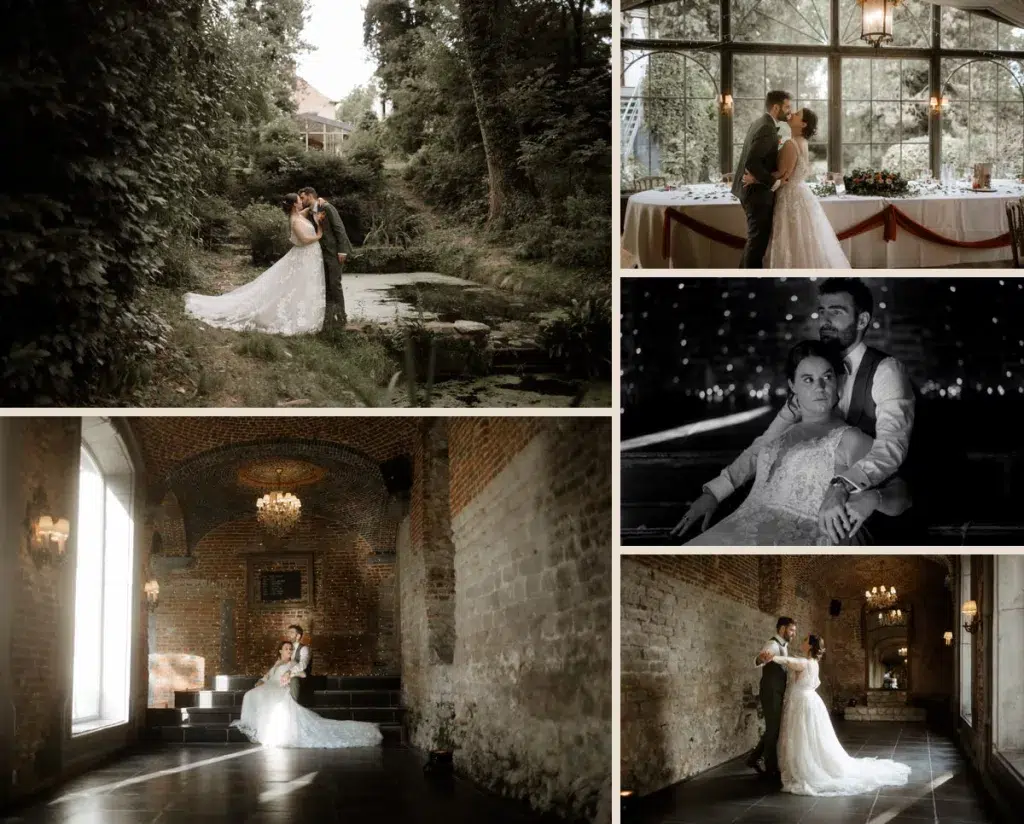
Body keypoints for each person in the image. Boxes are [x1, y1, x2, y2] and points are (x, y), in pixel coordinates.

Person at [672, 278, 917, 545]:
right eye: (821, 312)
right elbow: (766, 444)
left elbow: (891, 448)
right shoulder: (810, 374)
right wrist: (716, 492)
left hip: (863, 508)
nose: (825, 320)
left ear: (862, 320)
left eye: (836, 312)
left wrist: (843, 485)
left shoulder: (885, 371)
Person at [764, 635, 912, 796]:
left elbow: (788, 661)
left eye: (805, 640)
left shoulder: (805, 663)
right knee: (809, 735)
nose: (802, 642)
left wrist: (772, 657)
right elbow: (793, 662)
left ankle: (804, 767)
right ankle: (806, 763)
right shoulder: (814, 663)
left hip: (802, 702)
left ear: (811, 646)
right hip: (810, 701)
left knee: (803, 735)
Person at [184, 193, 326, 335]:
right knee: (291, 285)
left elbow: (308, 209)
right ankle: (291, 316)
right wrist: (319, 234)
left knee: (300, 284)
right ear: (295, 204)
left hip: (309, 256)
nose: (302, 201)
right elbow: (304, 239)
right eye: (299, 200)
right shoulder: (294, 220)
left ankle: (301, 312)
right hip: (303, 255)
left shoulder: (299, 214)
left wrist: (317, 201)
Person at [741, 108, 851, 268]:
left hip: (789, 195)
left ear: (803, 124)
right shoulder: (802, 142)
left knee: (789, 238)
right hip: (799, 192)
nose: (792, 114)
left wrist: (755, 178)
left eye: (797, 115)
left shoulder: (791, 144)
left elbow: (782, 174)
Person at [231, 640, 382, 748]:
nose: (289, 651)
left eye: (291, 649)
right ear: (280, 651)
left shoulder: (292, 664)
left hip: (280, 688)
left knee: (263, 696)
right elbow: (269, 675)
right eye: (286, 649)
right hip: (271, 685)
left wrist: (289, 676)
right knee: (251, 694)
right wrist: (261, 681)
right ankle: (258, 727)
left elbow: (303, 675)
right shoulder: (277, 663)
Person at [732, 90, 791, 269]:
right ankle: (751, 286)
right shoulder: (766, 127)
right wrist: (775, 182)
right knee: (757, 247)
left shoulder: (759, 122)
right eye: (787, 107)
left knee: (753, 243)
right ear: (775, 107)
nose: (789, 111)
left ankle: (741, 281)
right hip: (756, 195)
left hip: (748, 191)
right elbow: (752, 162)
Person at [747, 616, 798, 784]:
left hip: (777, 691)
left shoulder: (784, 645)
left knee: (773, 728)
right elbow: (758, 660)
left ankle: (753, 759)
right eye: (791, 630)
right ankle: (771, 768)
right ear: (782, 629)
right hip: (770, 692)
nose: (793, 634)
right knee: (773, 729)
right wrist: (761, 659)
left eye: (794, 631)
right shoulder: (773, 645)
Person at [298, 187, 351, 330]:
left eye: (303, 198)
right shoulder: (310, 211)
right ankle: (328, 318)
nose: (301, 201)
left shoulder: (327, 208)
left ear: (310, 196)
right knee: (326, 285)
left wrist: (342, 251)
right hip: (321, 254)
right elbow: (294, 214)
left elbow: (339, 228)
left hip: (334, 252)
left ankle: (341, 318)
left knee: (335, 284)